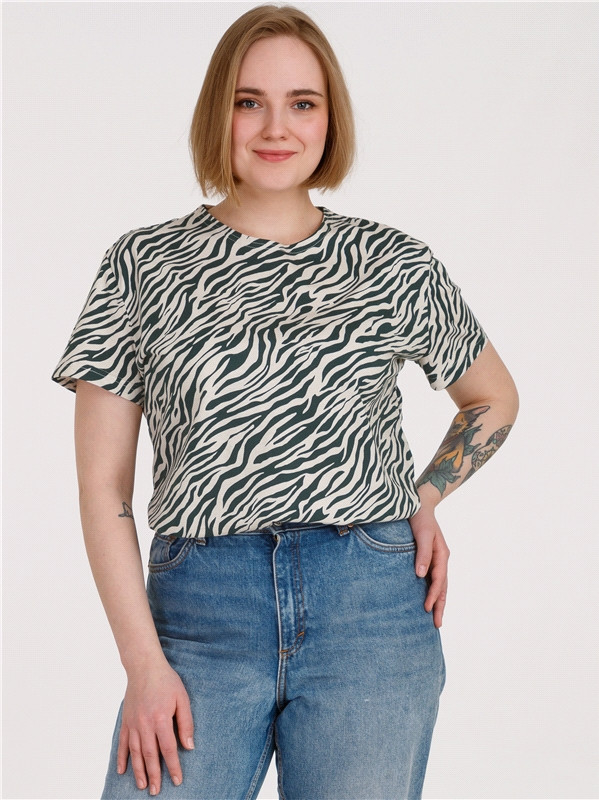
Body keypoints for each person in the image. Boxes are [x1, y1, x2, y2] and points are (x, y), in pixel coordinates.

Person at [51, 4, 519, 799]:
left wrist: (421, 497)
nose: (276, 127)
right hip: (200, 616)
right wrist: (143, 665)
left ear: (329, 118)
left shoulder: (390, 262)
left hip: (370, 608)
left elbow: (492, 399)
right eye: (249, 102)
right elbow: (103, 487)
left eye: (302, 102)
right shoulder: (142, 265)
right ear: (218, 113)